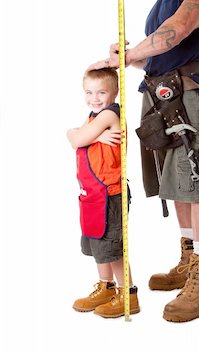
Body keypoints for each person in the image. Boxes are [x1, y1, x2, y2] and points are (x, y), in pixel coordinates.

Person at [89, 0, 199, 323]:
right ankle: (187, 257)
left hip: (187, 96)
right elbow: (154, 56)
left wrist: (127, 54)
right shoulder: (159, 2)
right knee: (175, 183)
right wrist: (127, 57)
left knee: (195, 181)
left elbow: (173, 36)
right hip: (160, 96)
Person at [66, 67, 140, 318]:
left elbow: (76, 139)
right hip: (91, 194)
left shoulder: (109, 115)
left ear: (115, 92)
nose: (94, 98)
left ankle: (127, 294)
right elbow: (71, 133)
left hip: (111, 195)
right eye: (88, 92)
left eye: (101, 92)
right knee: (97, 243)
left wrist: (86, 136)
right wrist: (95, 138)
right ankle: (106, 287)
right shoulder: (94, 118)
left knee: (113, 247)